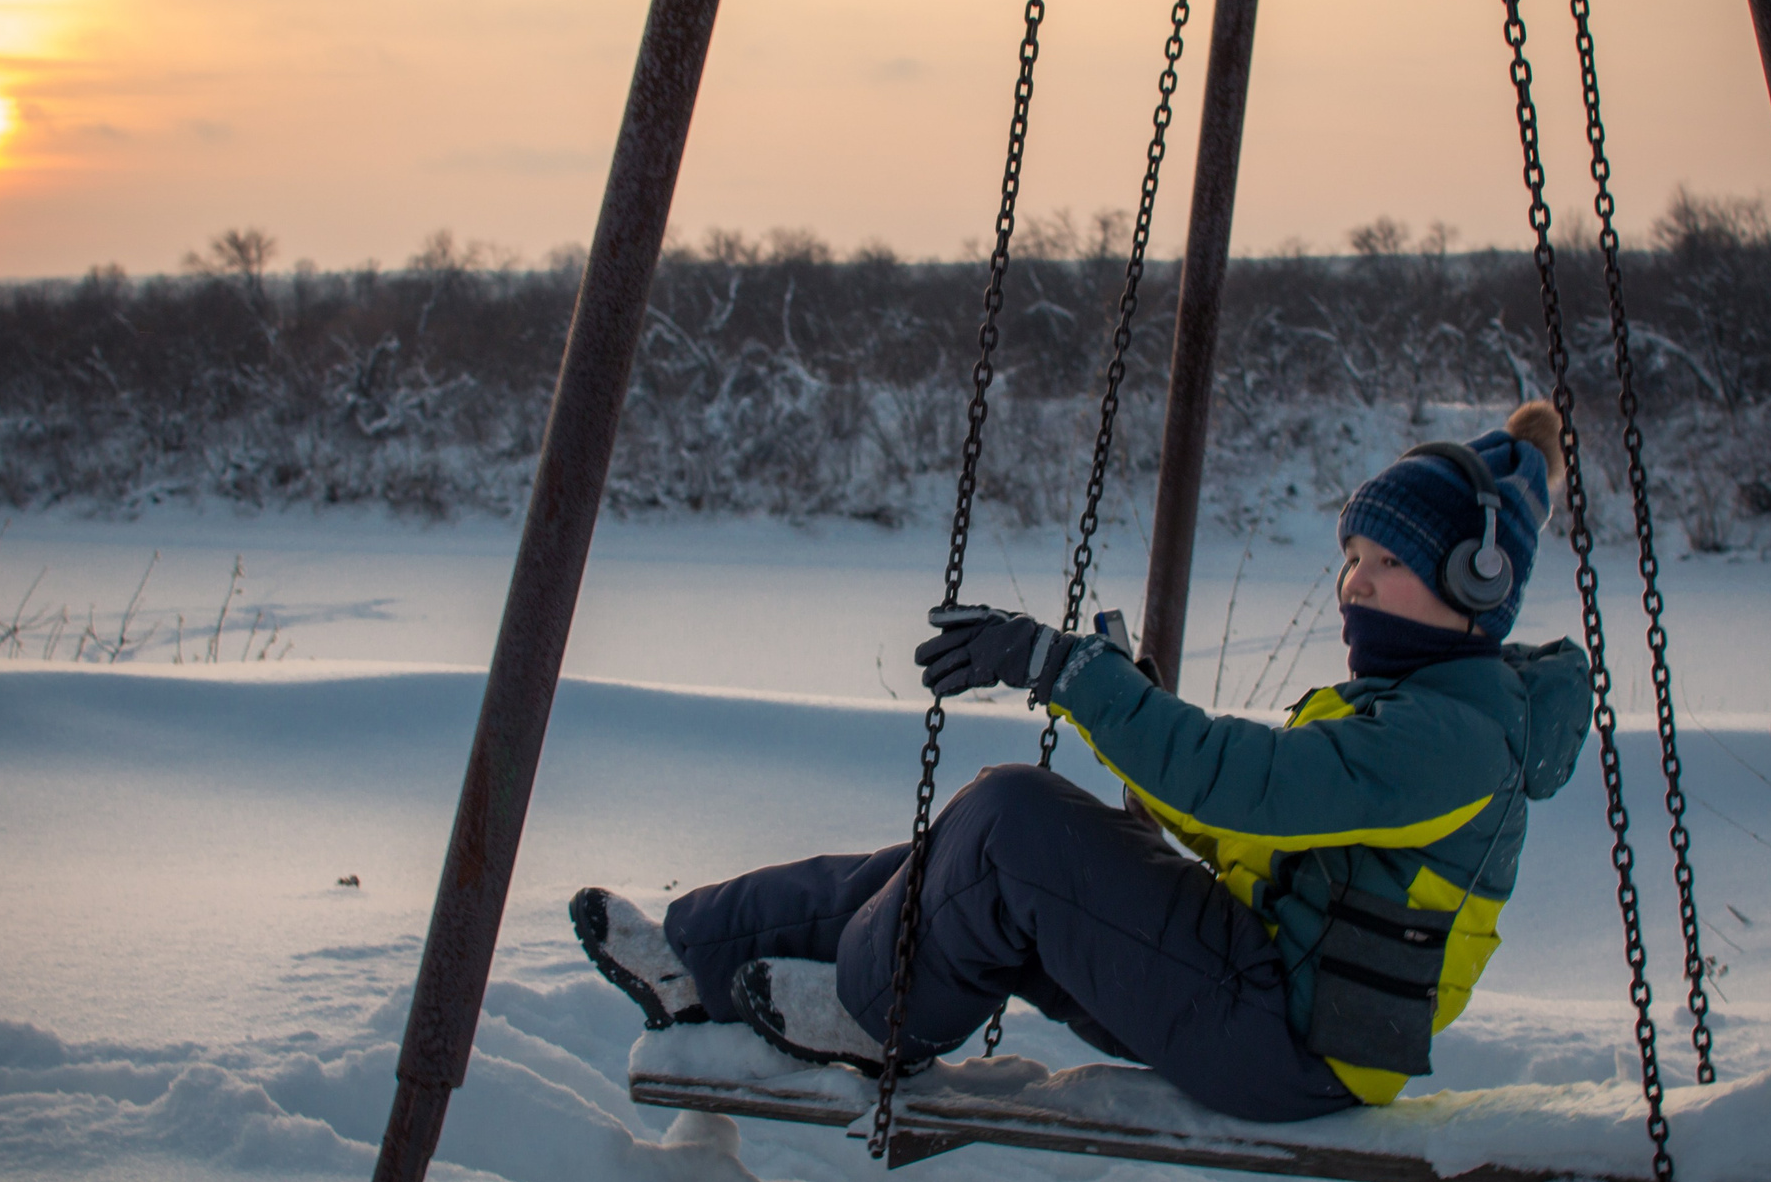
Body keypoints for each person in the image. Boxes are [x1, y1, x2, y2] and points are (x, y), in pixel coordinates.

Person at [573, 402, 1590, 1121]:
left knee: (1013, 825)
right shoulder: (1423, 706)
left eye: (1388, 565)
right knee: (971, 847)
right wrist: (1128, 707)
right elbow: (1240, 820)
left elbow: (1244, 786)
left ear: (1476, 584)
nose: (1353, 587)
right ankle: (696, 958)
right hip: (1260, 995)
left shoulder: (1448, 737)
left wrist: (1072, 674)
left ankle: (868, 1015)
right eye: (1352, 560)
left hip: (1294, 1044)